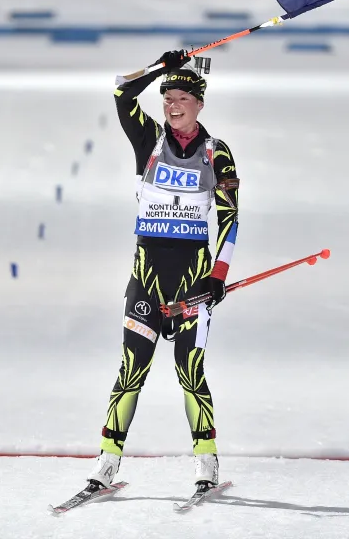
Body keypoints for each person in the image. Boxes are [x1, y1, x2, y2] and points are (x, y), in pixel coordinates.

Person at [85, 50, 240, 493]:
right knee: (130, 370)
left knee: (190, 371)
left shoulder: (217, 153)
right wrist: (159, 66)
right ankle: (107, 461)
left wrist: (218, 276)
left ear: (199, 103)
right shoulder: (148, 138)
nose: (172, 104)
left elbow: (230, 219)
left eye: (180, 97)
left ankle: (206, 461)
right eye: (166, 97)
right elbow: (120, 90)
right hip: (146, 279)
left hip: (192, 284)